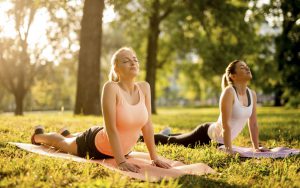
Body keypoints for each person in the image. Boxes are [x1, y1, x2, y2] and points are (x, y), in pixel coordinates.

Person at [31, 47, 171, 172]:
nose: (133, 63)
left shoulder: (145, 87)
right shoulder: (111, 88)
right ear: (116, 68)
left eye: (135, 60)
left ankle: (67, 133)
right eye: (126, 61)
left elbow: (147, 125)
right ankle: (38, 135)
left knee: (69, 139)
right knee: (62, 144)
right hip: (97, 146)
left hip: (122, 149)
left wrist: (155, 158)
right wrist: (121, 161)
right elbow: (111, 128)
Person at [146, 60, 269, 154]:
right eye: (242, 67)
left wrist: (256, 148)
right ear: (233, 76)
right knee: (172, 142)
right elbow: (226, 125)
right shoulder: (229, 92)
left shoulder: (252, 94)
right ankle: (142, 137)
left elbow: (253, 124)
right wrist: (228, 149)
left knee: (183, 137)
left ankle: (168, 133)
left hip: (217, 137)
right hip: (207, 136)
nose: (247, 68)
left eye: (247, 66)